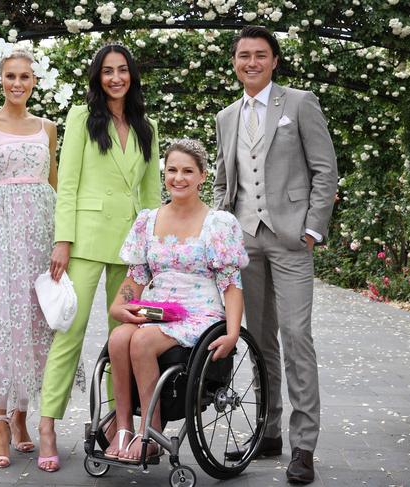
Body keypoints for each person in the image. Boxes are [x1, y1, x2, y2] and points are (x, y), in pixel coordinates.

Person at [213, 26, 337, 484]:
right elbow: (225, 182)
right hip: (246, 242)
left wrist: (311, 229)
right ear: (234, 61)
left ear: (274, 60)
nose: (252, 62)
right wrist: (223, 232)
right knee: (259, 339)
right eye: (244, 55)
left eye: (260, 55)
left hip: (289, 240)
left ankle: (304, 445)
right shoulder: (227, 116)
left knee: (296, 335)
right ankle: (268, 432)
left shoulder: (299, 104)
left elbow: (325, 169)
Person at [37, 43, 162, 472]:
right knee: (68, 334)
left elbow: (150, 197)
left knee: (121, 340)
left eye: (122, 70)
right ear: (98, 76)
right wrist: (62, 240)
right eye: (107, 71)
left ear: (132, 76)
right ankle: (48, 425)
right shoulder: (79, 117)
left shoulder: (147, 126)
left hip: (129, 249)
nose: (115, 78)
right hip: (85, 242)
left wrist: (149, 252)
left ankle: (115, 424)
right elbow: (67, 183)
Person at [105, 139, 249, 462]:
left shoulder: (218, 224)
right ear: (164, 173)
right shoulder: (147, 220)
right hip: (158, 308)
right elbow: (136, 277)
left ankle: (150, 433)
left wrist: (233, 331)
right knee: (118, 339)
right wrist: (120, 305)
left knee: (140, 342)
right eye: (172, 170)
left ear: (202, 176)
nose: (178, 178)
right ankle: (124, 427)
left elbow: (231, 284)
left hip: (199, 311)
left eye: (187, 171)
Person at [0, 48, 58, 468]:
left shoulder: (48, 128)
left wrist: (62, 242)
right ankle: (0, 425)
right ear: (0, 79)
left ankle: (23, 418)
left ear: (35, 82)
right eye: (10, 76)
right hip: (1, 236)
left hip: (40, 235)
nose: (17, 83)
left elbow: (55, 187)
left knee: (35, 326)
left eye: (25, 77)